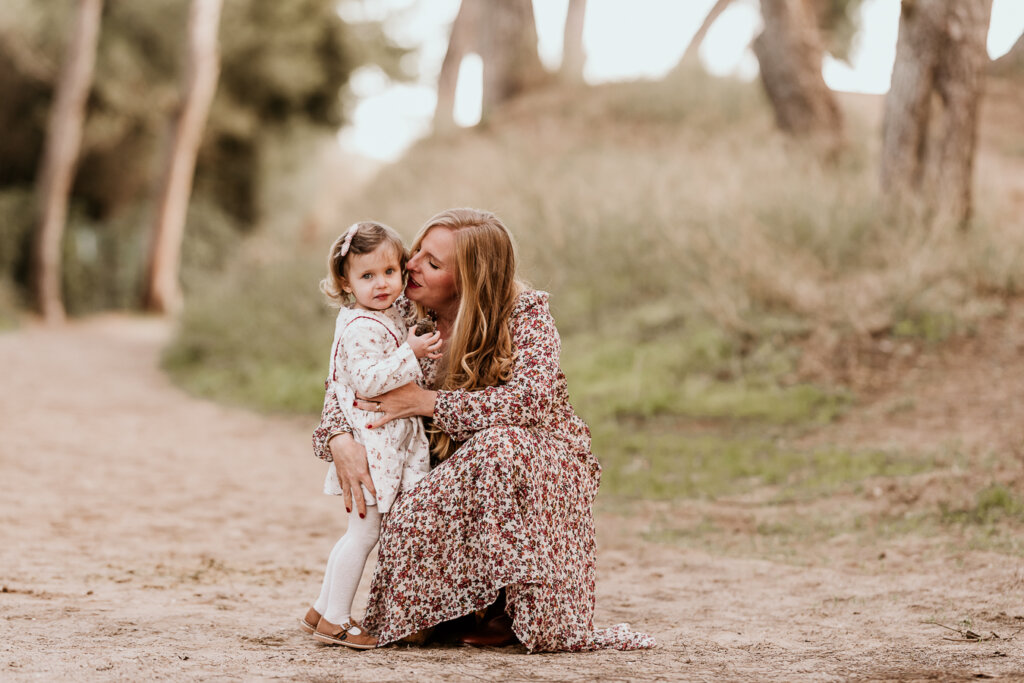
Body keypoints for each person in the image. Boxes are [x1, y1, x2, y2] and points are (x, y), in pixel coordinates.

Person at [312, 208, 655, 652]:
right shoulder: (403, 309)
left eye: (432, 264)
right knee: (416, 496)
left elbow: (529, 402)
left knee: (497, 447)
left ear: (468, 280)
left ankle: (504, 606)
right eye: (417, 251)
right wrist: (338, 437)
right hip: (454, 461)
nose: (411, 265)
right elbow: (346, 370)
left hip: (536, 459)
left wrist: (426, 402)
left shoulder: (526, 316)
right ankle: (448, 607)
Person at [300, 221, 442, 649]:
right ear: (346, 280)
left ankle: (322, 609)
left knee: (357, 532)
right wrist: (411, 354)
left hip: (384, 441)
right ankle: (338, 619)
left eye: (389, 273)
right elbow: (366, 380)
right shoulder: (360, 327)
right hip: (372, 448)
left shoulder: (380, 313)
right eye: (367, 276)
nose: (381, 285)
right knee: (363, 534)